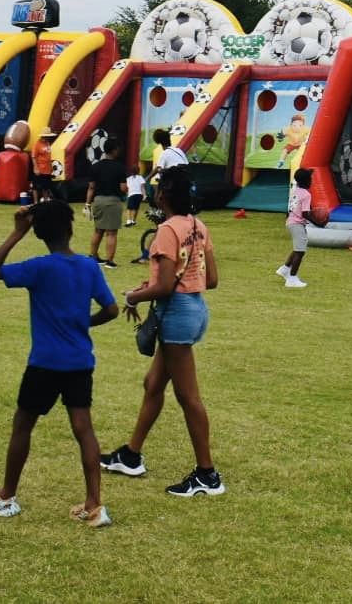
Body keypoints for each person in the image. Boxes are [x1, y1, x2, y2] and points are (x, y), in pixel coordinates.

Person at [0, 201, 118, 526]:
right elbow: (111, 310)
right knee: (84, 429)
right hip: (80, 361)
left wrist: (16, 232)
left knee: (23, 425)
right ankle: (94, 505)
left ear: (38, 235)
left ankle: (7, 495)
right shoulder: (88, 266)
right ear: (70, 229)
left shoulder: (39, 267)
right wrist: (83, 323)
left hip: (45, 363)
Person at [101, 166, 223, 498]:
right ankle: (131, 454)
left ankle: (207, 474)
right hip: (195, 309)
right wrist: (153, 286)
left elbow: (166, 286)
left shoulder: (166, 230)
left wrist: (133, 295)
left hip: (176, 315)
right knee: (153, 384)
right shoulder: (198, 226)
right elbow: (210, 279)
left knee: (189, 397)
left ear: (164, 195)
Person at [276, 167, 324, 289]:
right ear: (307, 181)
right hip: (297, 223)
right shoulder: (306, 194)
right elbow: (305, 213)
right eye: (310, 179)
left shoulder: (295, 191)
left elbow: (292, 208)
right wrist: (318, 223)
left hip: (291, 222)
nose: (312, 181)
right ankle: (292, 279)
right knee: (300, 251)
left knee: (298, 248)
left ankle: (285, 269)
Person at [84, 136, 127, 269]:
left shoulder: (95, 167)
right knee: (111, 232)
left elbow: (91, 187)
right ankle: (109, 261)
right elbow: (123, 188)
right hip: (112, 201)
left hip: (98, 201)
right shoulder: (120, 168)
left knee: (98, 230)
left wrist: (87, 204)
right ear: (114, 150)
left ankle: (93, 256)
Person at [31, 130, 56, 202]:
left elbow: (48, 155)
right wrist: (36, 168)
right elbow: (33, 157)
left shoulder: (47, 143)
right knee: (36, 186)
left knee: (46, 187)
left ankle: (45, 202)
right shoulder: (37, 144)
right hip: (40, 169)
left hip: (47, 169)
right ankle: (36, 202)